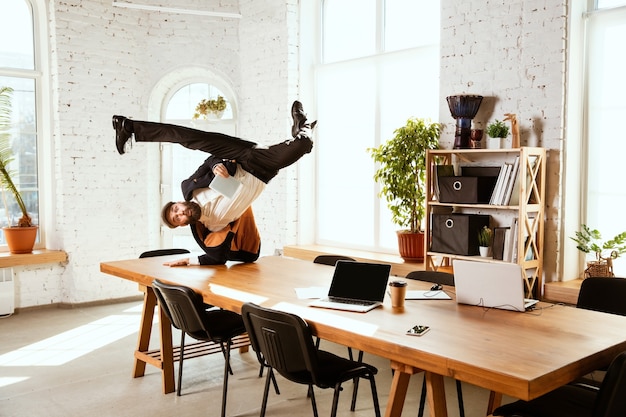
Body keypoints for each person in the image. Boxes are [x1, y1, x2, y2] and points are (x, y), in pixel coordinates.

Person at [113, 101, 316, 266]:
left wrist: (217, 165)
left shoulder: (188, 187)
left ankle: (129, 127)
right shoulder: (214, 227)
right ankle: (302, 125)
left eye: (176, 209)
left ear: (179, 202)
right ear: (183, 224)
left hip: (240, 156)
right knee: (304, 144)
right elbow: (217, 258)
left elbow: (208, 162)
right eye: (177, 219)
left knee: (191, 138)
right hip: (262, 169)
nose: (179, 214)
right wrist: (190, 261)